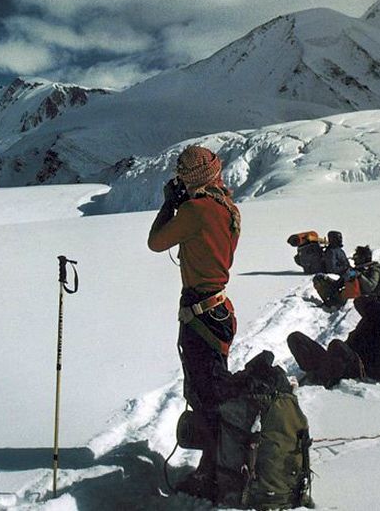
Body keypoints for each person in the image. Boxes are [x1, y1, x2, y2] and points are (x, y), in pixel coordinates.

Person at [147, 145, 241, 499]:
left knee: (205, 393)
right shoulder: (225, 206)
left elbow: (156, 243)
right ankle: (218, 465)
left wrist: (169, 205)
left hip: (200, 311)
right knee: (212, 388)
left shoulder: (197, 210)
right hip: (217, 308)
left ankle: (212, 474)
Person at [313, 245, 380, 308]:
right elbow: (337, 284)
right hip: (345, 296)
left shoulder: (374, 269)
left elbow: (370, 287)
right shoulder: (353, 270)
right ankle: (331, 303)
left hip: (361, 300)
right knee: (319, 279)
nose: (354, 260)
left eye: (356, 257)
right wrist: (326, 279)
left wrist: (359, 276)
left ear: (363, 258)